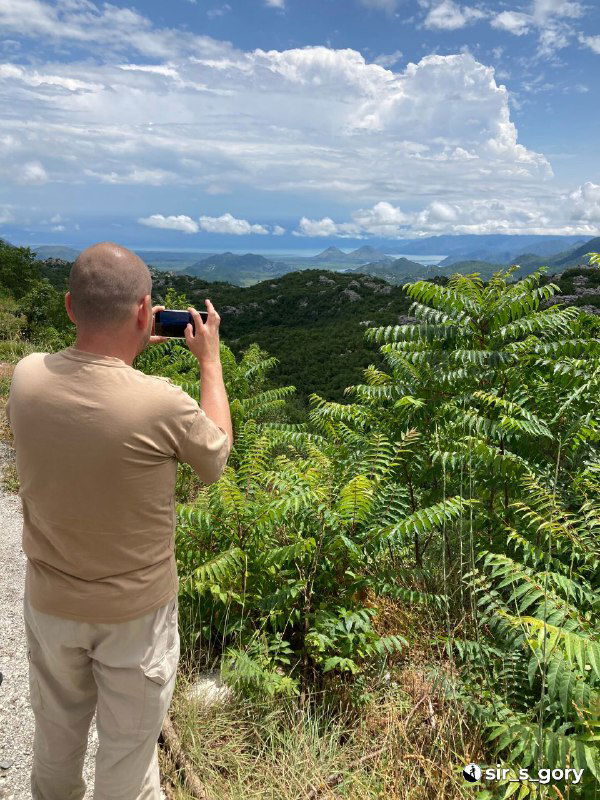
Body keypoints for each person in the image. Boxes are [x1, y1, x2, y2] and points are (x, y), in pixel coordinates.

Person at [6, 242, 233, 800]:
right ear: (143, 312)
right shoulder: (161, 403)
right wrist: (209, 360)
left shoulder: (27, 377)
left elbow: (92, 392)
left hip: (51, 603)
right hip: (135, 613)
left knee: (55, 740)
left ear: (68, 307)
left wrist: (123, 348)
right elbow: (215, 458)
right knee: (127, 763)